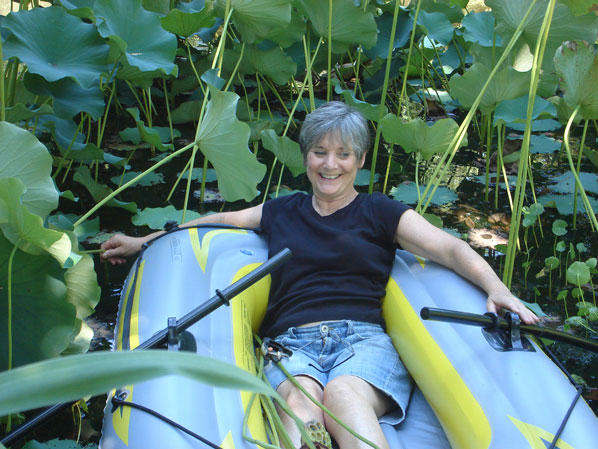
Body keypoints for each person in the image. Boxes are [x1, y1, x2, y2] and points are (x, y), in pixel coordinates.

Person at [101, 101, 539, 449]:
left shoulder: (379, 212)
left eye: (343, 154)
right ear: (306, 155)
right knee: (300, 404)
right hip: (291, 345)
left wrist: (497, 289)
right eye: (320, 152)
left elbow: (447, 246)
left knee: (343, 397)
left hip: (362, 342)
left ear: (360, 159)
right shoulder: (282, 210)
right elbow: (220, 220)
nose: (331, 165)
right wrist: (145, 241)